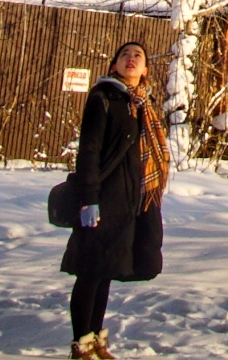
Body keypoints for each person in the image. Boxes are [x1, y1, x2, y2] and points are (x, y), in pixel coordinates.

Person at [61, 41, 168, 359]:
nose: (131, 59)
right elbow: (90, 150)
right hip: (103, 198)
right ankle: (80, 344)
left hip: (128, 203)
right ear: (114, 66)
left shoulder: (140, 104)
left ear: (145, 70)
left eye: (138, 56)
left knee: (105, 272)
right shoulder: (103, 97)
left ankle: (95, 342)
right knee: (91, 271)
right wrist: (89, 199)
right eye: (125, 55)